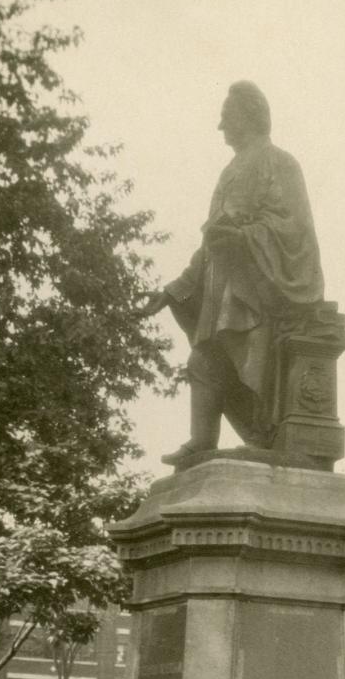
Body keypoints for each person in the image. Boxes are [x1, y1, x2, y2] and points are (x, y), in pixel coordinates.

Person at [139, 81, 325, 464]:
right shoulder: (229, 171)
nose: (220, 127)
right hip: (220, 287)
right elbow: (210, 243)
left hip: (256, 290)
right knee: (203, 361)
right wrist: (174, 290)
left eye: (227, 117)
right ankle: (202, 440)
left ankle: (263, 436)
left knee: (245, 360)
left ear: (250, 116)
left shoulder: (280, 162)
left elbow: (294, 227)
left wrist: (243, 236)